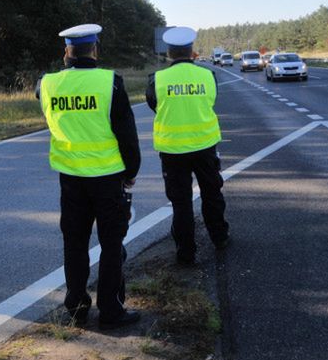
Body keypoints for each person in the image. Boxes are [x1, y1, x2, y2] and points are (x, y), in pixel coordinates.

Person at [37, 24, 141, 329]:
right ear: (94, 49)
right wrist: (131, 172)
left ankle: (76, 307)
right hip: (108, 179)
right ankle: (110, 311)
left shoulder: (46, 84)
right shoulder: (111, 83)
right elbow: (127, 136)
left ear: (65, 52)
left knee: (74, 243)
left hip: (70, 180)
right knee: (111, 244)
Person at [145, 27, 230, 265]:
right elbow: (209, 102)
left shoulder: (157, 80)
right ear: (192, 51)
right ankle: (220, 236)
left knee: (181, 203)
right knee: (212, 194)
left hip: (172, 151)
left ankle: (186, 252)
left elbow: (154, 105)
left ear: (169, 53)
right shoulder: (207, 76)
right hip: (204, 147)